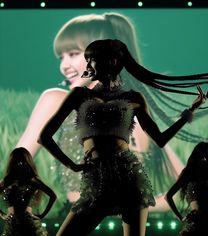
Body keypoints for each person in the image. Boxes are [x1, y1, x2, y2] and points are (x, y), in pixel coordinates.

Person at [37, 39, 208, 236]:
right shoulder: (79, 95)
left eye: (92, 59)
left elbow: (160, 139)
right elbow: (44, 137)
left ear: (111, 61)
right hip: (96, 179)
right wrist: (73, 165)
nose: (87, 65)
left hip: (129, 179)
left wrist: (189, 112)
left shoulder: (133, 98)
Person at [16, 12, 187, 207]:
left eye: (73, 54)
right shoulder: (57, 99)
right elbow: (20, 157)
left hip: (124, 213)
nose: (64, 66)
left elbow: (184, 176)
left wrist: (151, 204)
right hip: (85, 210)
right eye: (61, 57)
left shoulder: (132, 108)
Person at [165, 142, 208, 236]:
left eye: (206, 156)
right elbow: (168, 196)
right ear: (196, 157)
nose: (203, 159)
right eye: (201, 156)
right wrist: (180, 217)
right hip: (195, 222)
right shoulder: (188, 174)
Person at [0, 147, 57, 236]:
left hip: (29, 226)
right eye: (17, 161)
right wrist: (2, 215)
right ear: (12, 163)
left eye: (23, 161)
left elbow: (53, 196)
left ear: (28, 162)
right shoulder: (7, 181)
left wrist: (42, 215)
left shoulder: (33, 181)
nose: (20, 164)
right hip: (11, 227)